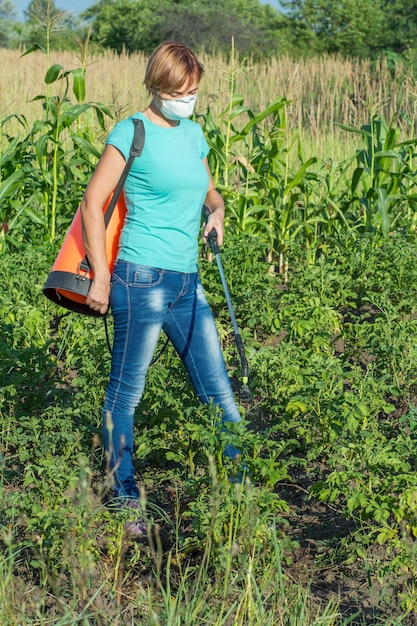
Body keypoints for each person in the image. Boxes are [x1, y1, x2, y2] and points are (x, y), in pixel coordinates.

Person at [80, 41, 243, 534]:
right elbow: (93, 202)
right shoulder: (132, 131)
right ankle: (124, 498)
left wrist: (216, 212)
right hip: (141, 278)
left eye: (193, 91)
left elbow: (207, 190)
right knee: (126, 394)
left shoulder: (194, 135)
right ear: (158, 85)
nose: (188, 99)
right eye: (180, 91)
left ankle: (239, 491)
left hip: (187, 284)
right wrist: (102, 278)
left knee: (219, 392)